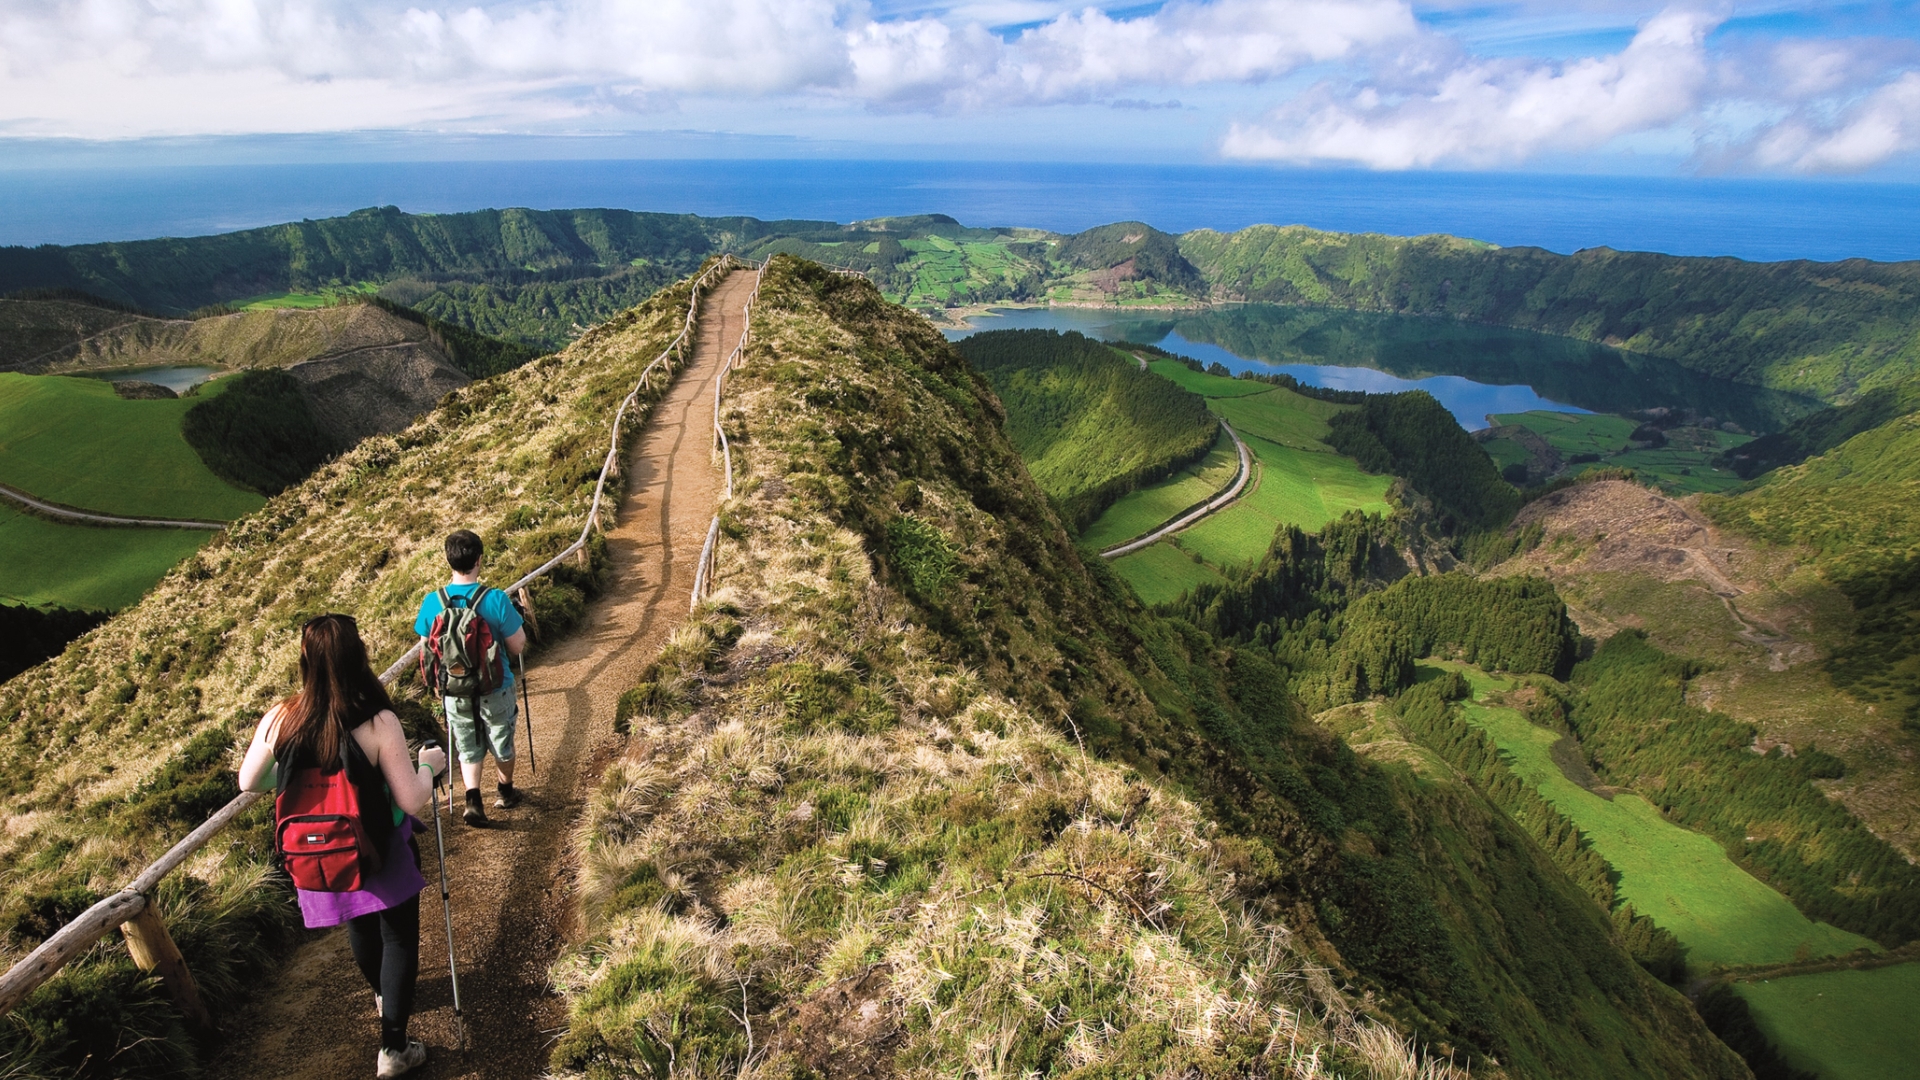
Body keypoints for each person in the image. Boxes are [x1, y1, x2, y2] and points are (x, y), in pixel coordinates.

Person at [239, 613, 447, 1078]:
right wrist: (429, 765)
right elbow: (412, 799)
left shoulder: (280, 717)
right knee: (398, 936)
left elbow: (247, 780)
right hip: (378, 845)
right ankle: (393, 1048)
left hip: (320, 850)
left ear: (305, 660)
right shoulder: (376, 721)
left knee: (358, 923)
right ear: (359, 656)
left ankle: (381, 997)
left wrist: (301, 781)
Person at [415, 529, 527, 827]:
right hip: (495, 686)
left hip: (454, 689)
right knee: (501, 740)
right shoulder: (496, 599)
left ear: (448, 561)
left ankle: (473, 800)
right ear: (479, 559)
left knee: (467, 745)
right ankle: (505, 791)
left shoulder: (431, 602)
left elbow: (427, 651)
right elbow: (517, 647)